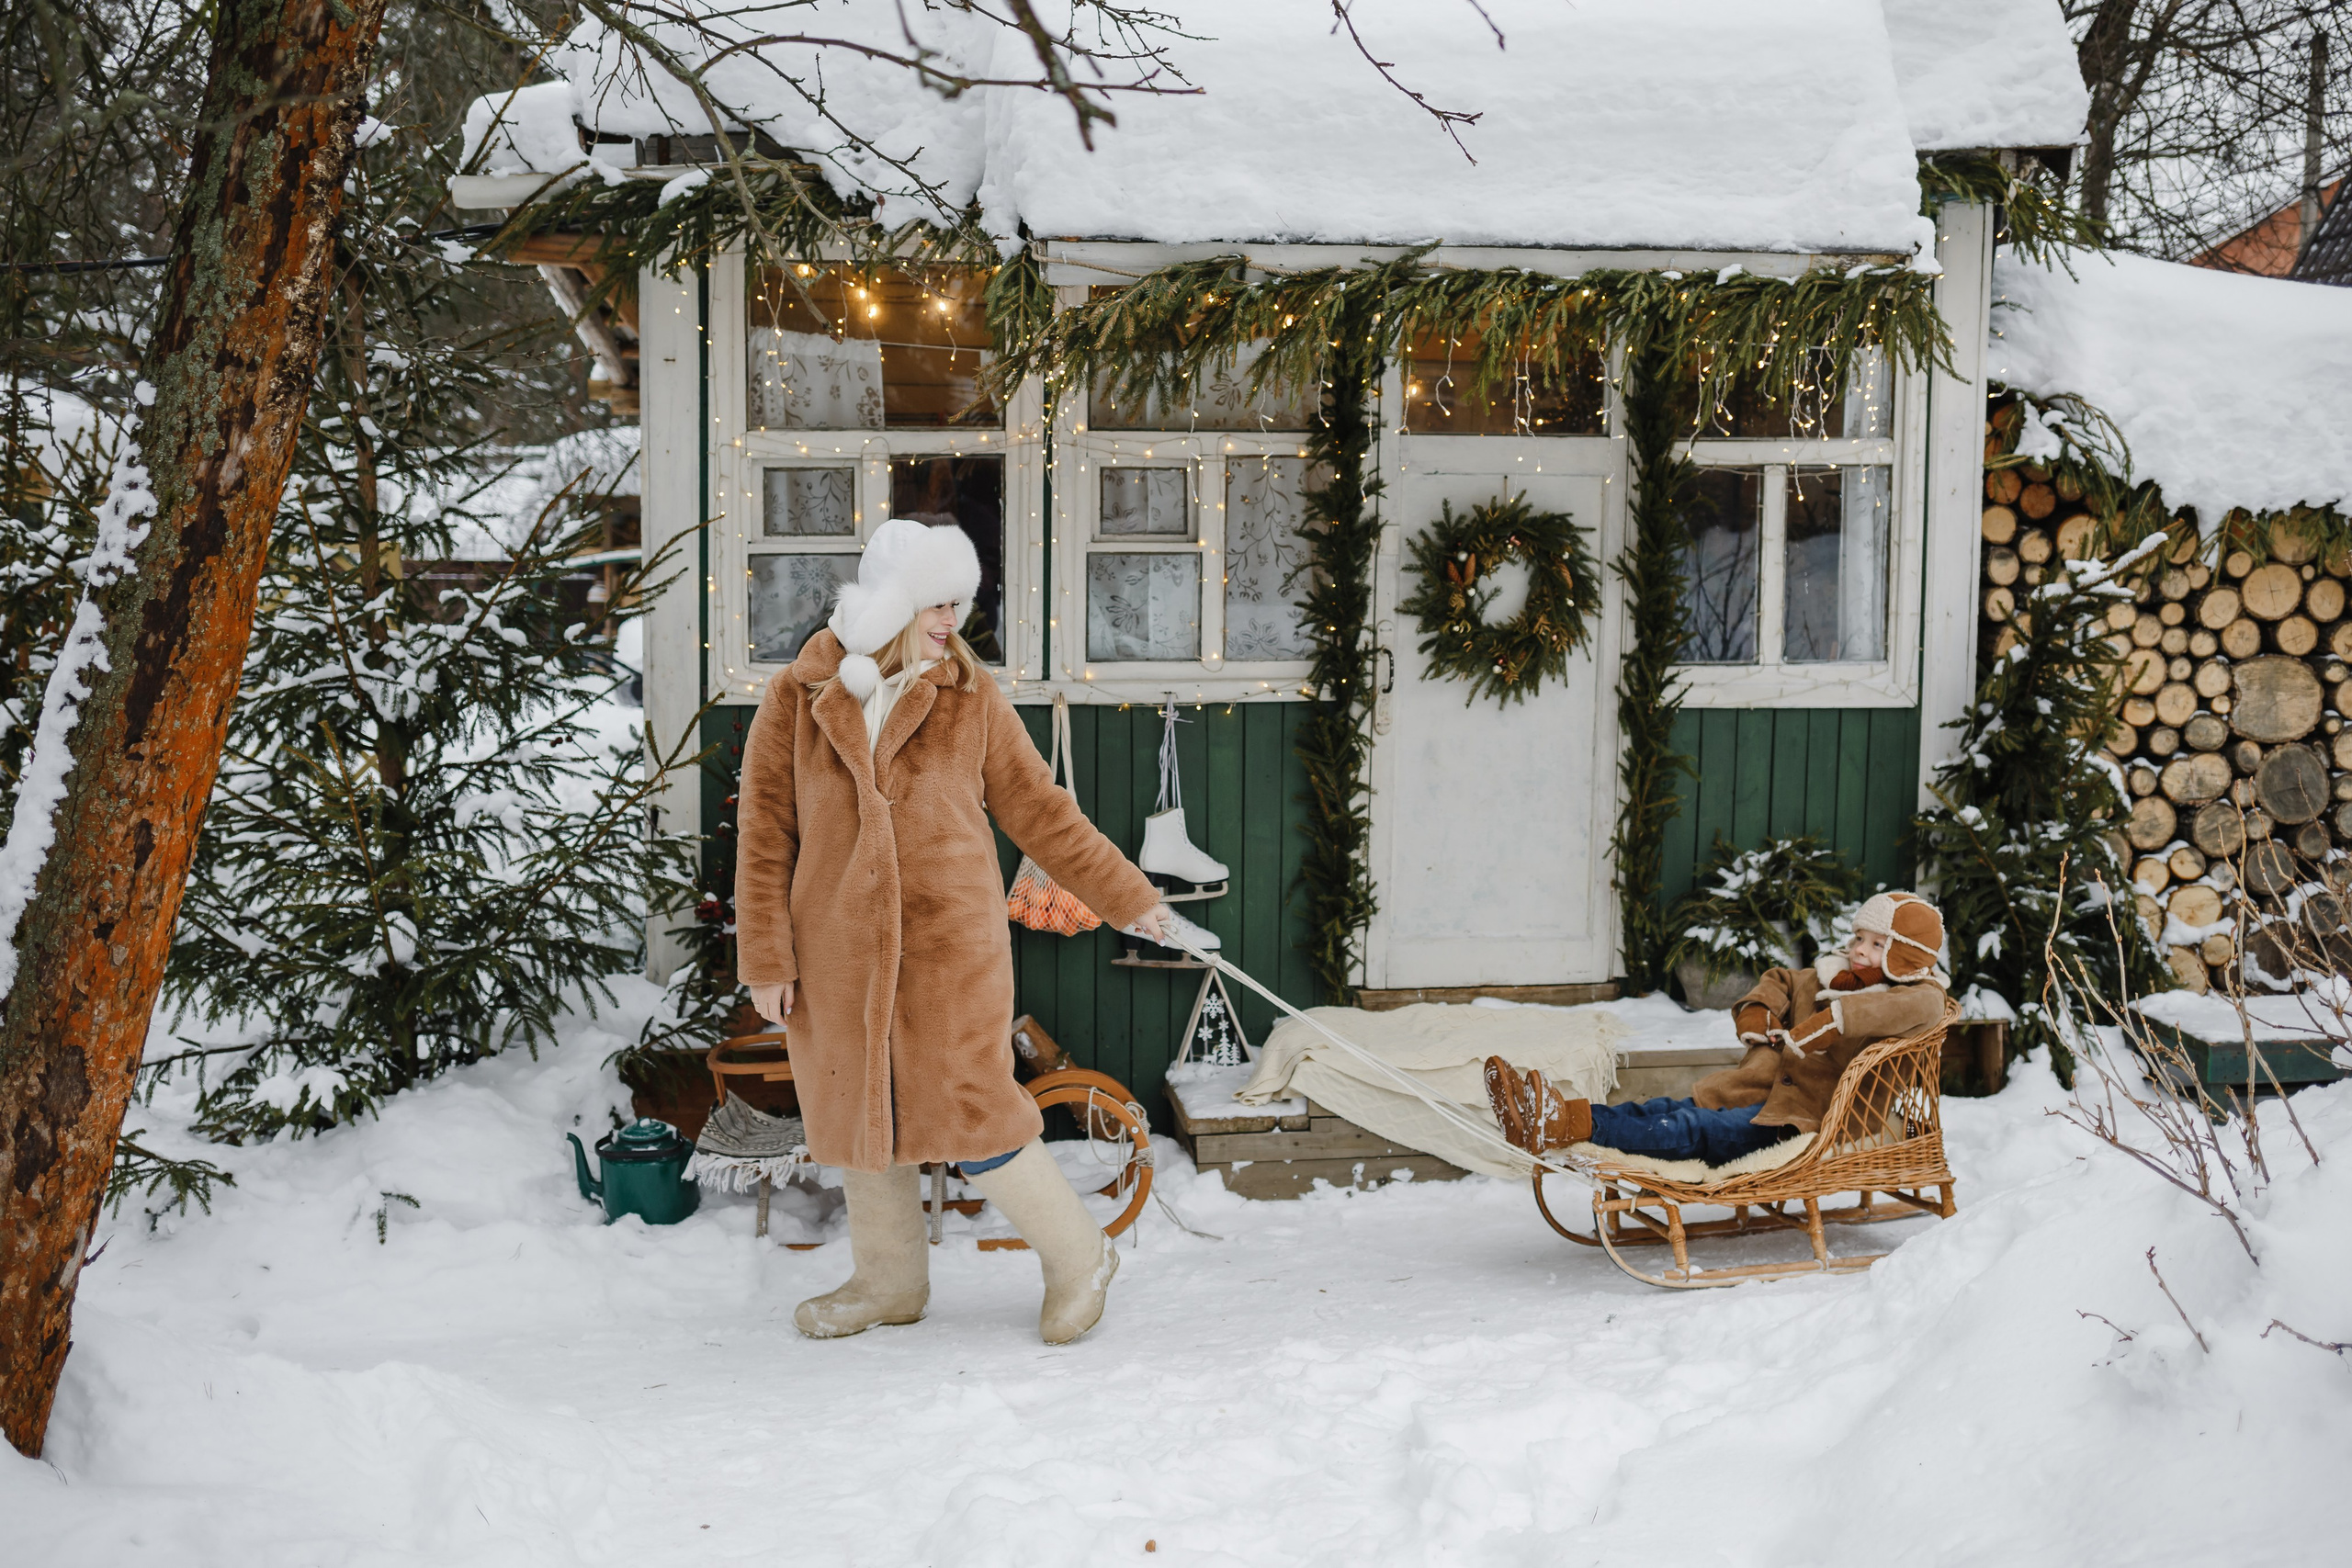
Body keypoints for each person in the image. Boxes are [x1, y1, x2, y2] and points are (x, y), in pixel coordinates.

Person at [733, 518, 1187, 1345]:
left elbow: (1044, 814)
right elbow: (765, 833)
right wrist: (767, 956)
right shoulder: (796, 696)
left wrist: (1130, 898)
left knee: (974, 1111)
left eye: (954, 602)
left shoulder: (969, 695)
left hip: (951, 951)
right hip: (836, 954)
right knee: (861, 1109)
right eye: (934, 603)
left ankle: (1080, 1254)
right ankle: (888, 1280)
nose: (951, 620)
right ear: (887, 604)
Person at [1486, 892, 1949, 1165]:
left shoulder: (1916, 998)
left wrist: (1830, 1021)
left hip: (1806, 1120)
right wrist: (1759, 1017)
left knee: (1691, 1127)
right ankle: (1550, 1115)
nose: (1859, 950)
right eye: (1858, 938)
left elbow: (1892, 1010)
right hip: (1755, 1094)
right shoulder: (1831, 977)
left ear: (1904, 956)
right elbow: (1779, 981)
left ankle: (1558, 1123)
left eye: (1876, 944)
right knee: (1667, 1106)